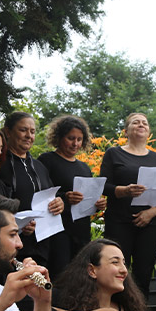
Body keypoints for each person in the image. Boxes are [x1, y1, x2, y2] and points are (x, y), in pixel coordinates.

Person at [100, 112, 156, 298]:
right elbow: (103, 185)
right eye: (135, 122)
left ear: (148, 132)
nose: (141, 125)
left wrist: (152, 213)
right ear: (126, 131)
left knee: (143, 272)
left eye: (144, 123)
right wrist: (123, 191)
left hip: (150, 224)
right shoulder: (113, 153)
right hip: (119, 221)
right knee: (115, 271)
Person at [37, 115, 106, 279]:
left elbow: (87, 199)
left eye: (79, 139)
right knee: (59, 274)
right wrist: (64, 197)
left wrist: (98, 204)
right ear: (59, 137)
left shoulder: (84, 167)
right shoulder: (47, 160)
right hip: (57, 230)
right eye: (71, 138)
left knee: (80, 276)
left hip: (81, 231)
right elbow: (41, 194)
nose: (75, 143)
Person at [0, 112, 64, 265]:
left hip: (43, 244)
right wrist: (19, 224)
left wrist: (59, 203)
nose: (29, 135)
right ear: (8, 132)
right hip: (13, 246)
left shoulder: (39, 166)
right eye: (23, 130)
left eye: (32, 131)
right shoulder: (0, 163)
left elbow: (51, 196)